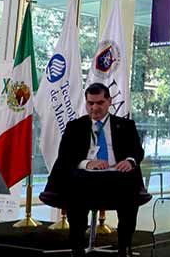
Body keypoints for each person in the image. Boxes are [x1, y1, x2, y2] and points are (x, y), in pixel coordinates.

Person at [43, 83, 145, 257]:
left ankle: (123, 248)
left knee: (129, 190)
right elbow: (65, 157)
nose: (94, 108)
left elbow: (137, 151)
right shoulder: (75, 126)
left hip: (117, 176)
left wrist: (129, 161)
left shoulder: (126, 125)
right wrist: (86, 163)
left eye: (99, 103)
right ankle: (77, 248)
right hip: (85, 178)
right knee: (76, 188)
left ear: (109, 101)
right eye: (90, 103)